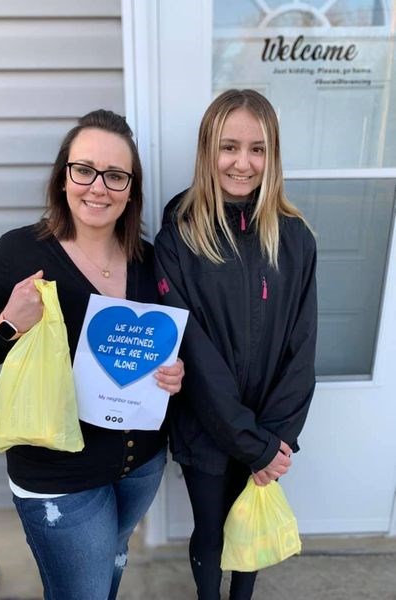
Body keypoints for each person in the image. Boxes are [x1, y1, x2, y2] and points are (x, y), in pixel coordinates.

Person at [0, 109, 184, 600]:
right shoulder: (19, 251)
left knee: (106, 579)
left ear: (131, 189)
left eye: (115, 176)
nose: (98, 187)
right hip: (59, 475)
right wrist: (9, 322)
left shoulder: (146, 260)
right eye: (85, 170)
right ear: (63, 177)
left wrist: (172, 373)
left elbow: (154, 349)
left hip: (139, 465)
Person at [154, 89, 317, 600]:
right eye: (229, 147)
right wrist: (253, 444)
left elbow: (303, 344)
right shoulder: (180, 236)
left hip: (271, 428)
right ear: (207, 151)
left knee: (251, 529)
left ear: (272, 155)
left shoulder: (295, 238)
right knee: (211, 530)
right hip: (207, 427)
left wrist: (277, 438)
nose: (242, 163)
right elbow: (194, 353)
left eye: (257, 148)